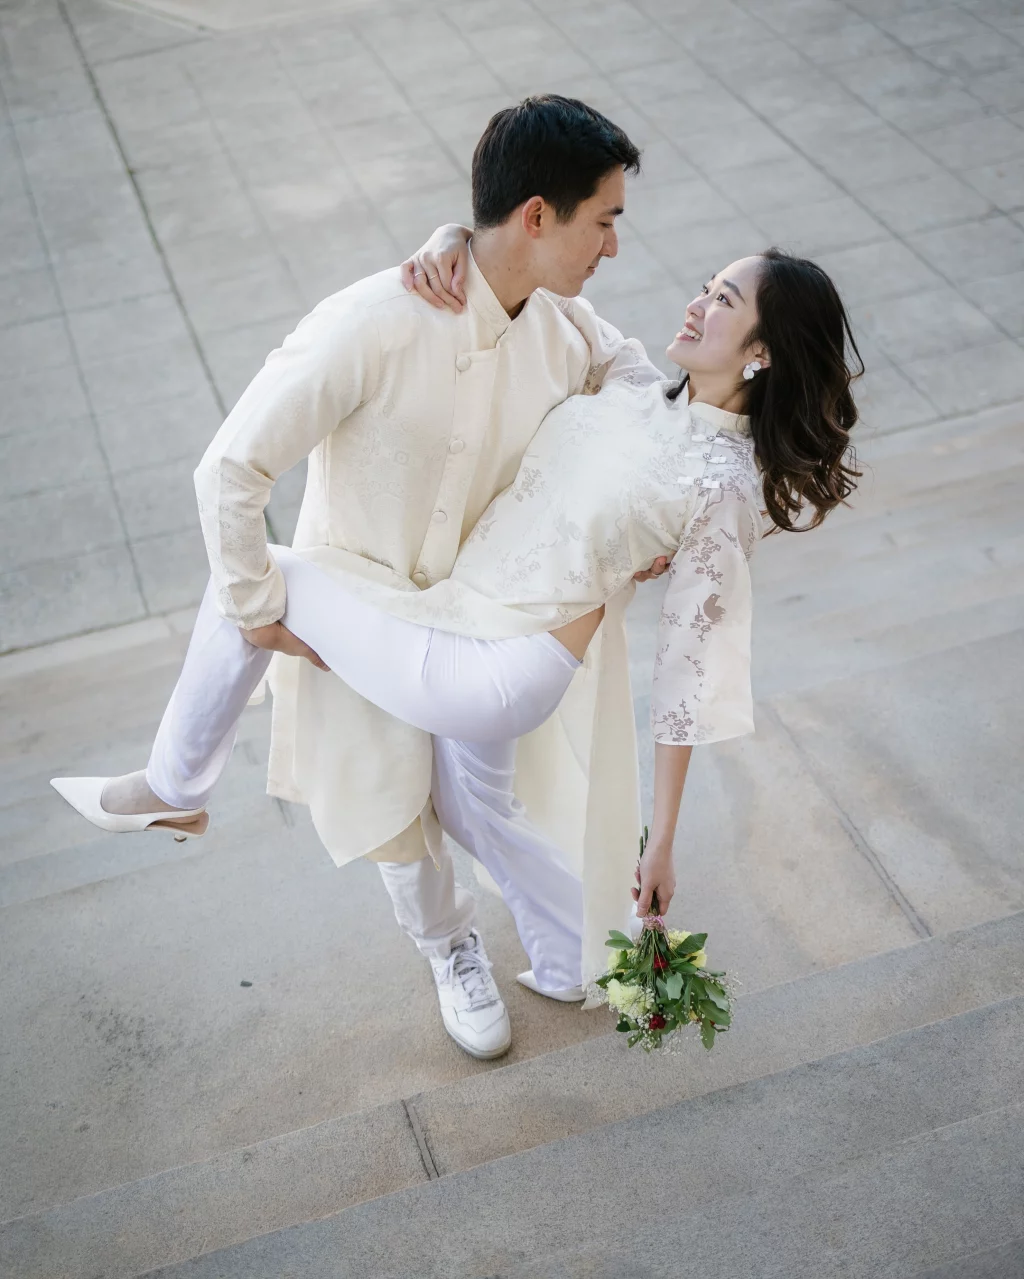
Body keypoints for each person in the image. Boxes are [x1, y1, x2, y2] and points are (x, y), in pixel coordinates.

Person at [52, 237, 862, 1051]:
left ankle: (172, 786)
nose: (697, 303)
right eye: (705, 285)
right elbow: (543, 292)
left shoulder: (722, 486)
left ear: (762, 351)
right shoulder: (636, 385)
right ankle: (582, 954)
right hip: (457, 614)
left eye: (725, 301)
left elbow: (687, 677)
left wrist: (665, 842)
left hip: (504, 668)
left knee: (257, 578)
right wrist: (454, 241)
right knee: (477, 809)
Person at [51, 96, 661, 1062]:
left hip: (480, 621)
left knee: (479, 797)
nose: (615, 246)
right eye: (606, 220)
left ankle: (567, 946)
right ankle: (449, 946)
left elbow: (636, 378)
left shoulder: (566, 328)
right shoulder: (376, 319)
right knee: (391, 804)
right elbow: (229, 470)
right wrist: (256, 608)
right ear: (539, 216)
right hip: (360, 611)